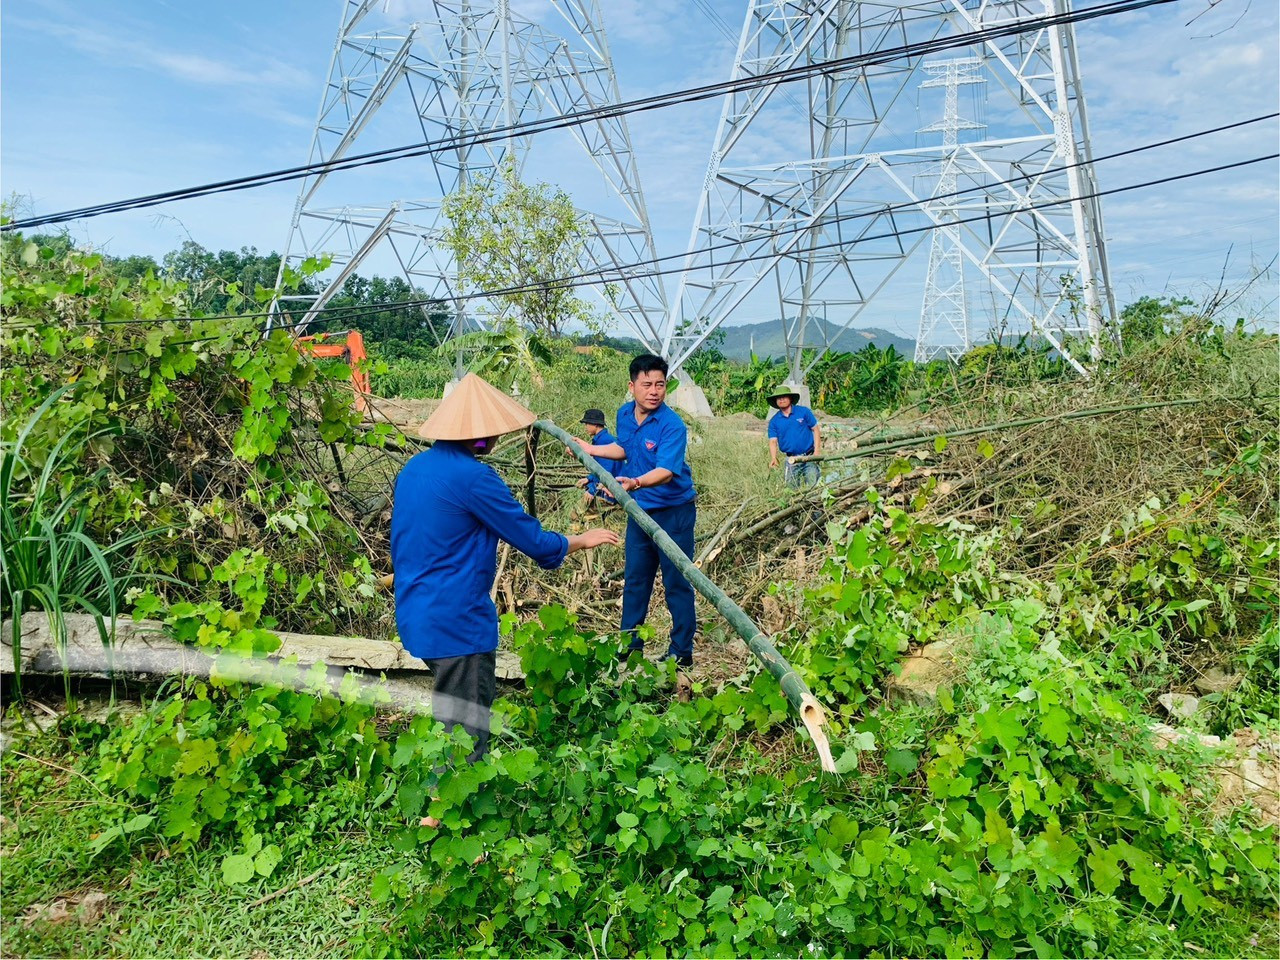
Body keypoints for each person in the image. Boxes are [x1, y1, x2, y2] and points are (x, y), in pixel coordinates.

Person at [391, 373, 618, 766]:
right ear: (483, 435)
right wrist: (581, 539)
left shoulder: (415, 468)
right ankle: (443, 815)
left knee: (451, 718)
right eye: (494, 431)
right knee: (464, 734)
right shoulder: (475, 479)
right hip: (457, 622)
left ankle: (441, 804)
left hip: (416, 611)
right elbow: (533, 542)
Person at [572, 355, 698, 667]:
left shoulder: (672, 425)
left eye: (660, 384)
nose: (654, 391)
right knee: (636, 579)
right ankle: (630, 647)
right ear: (632, 386)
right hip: (640, 511)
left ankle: (681, 654)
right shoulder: (624, 415)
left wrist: (635, 483)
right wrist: (589, 449)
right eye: (647, 384)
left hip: (673, 512)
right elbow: (625, 449)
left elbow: (666, 471)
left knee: (676, 583)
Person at [766, 383, 821, 488]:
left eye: (784, 397)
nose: (781, 399)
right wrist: (773, 458)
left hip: (809, 456)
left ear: (790, 398)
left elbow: (816, 429)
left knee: (813, 487)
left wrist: (817, 451)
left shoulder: (803, 412)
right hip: (792, 459)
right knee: (790, 489)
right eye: (778, 398)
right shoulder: (774, 421)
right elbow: (773, 441)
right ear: (776, 402)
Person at [575, 408, 622, 508]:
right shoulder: (603, 439)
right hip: (609, 487)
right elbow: (599, 468)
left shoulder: (604, 441)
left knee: (576, 513)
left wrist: (592, 490)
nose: (585, 427)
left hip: (610, 491)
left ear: (595, 425)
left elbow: (606, 471)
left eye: (587, 424)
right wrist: (589, 479)